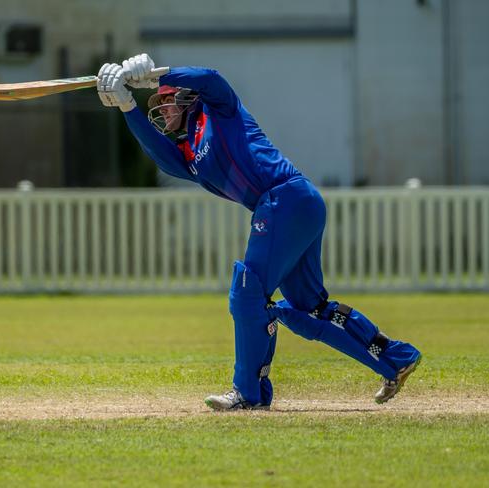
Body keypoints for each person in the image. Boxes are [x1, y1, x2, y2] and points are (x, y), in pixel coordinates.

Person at [96, 53, 422, 410]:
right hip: (291, 205)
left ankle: (248, 393)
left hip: (285, 197)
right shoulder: (187, 156)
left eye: (167, 102)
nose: (161, 111)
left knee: (248, 291)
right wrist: (127, 106)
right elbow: (157, 153)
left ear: (186, 98)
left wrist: (156, 76)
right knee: (307, 309)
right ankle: (395, 358)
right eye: (156, 106)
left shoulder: (219, 108)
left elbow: (210, 77)